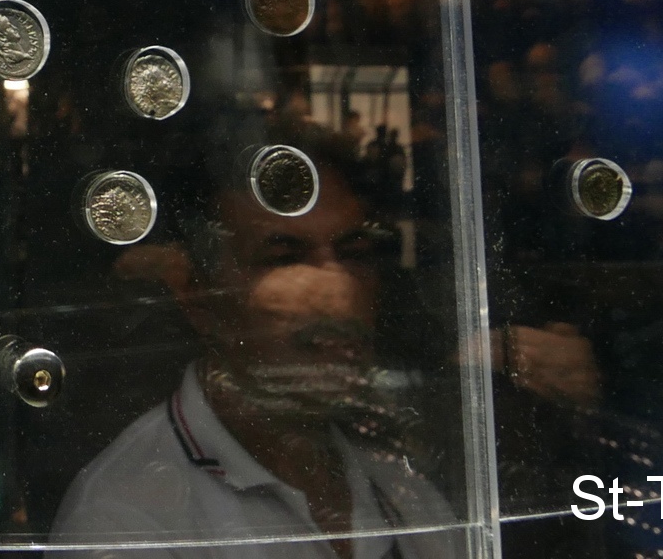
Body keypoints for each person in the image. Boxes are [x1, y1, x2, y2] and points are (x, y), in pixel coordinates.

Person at [53, 132, 462, 559]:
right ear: (198, 297)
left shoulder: (397, 481)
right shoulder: (128, 521)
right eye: (283, 259)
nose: (338, 293)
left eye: (354, 252)